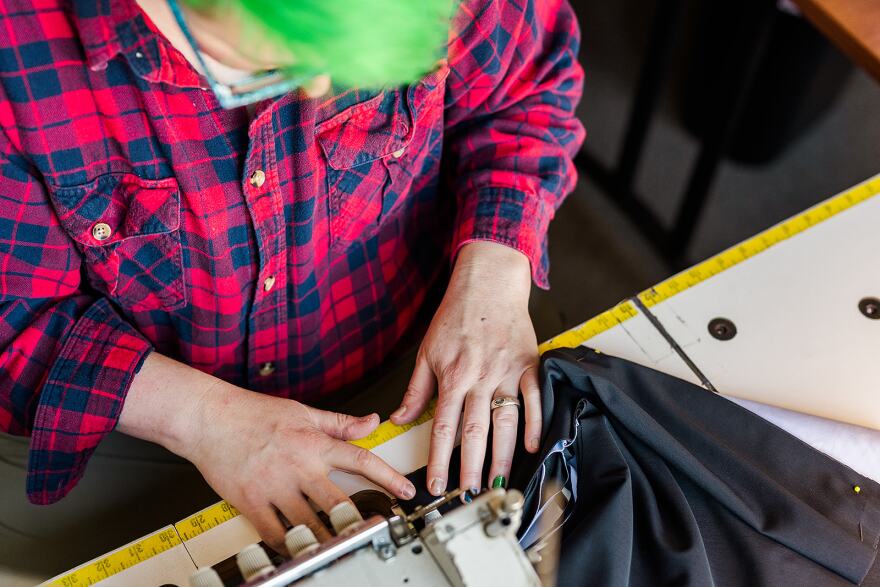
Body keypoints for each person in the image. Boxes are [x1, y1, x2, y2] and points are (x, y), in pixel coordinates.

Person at [0, 0, 584, 561]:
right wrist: (201, 418)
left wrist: (491, 274)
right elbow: (14, 314)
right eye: (268, 68)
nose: (318, 91)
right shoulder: (16, 51)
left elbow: (523, 95)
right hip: (124, 418)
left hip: (413, 353)